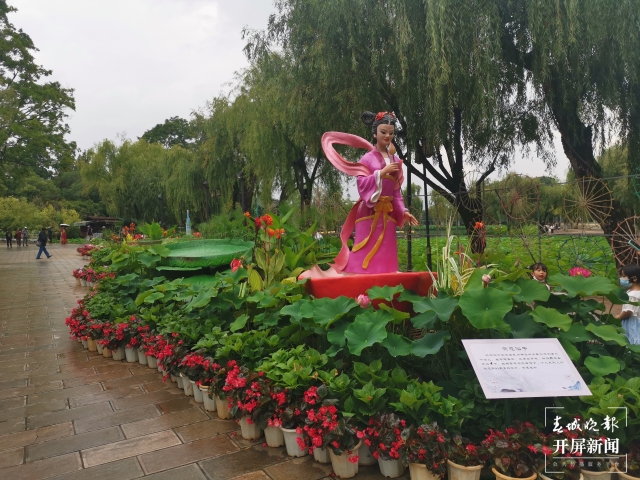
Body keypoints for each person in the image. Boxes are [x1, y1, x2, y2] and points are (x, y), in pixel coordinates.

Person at [321, 111, 418, 274]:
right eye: (383, 132)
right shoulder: (367, 159)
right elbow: (362, 184)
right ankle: (358, 275)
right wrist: (381, 173)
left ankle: (386, 275)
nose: (387, 136)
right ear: (375, 133)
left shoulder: (396, 161)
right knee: (365, 246)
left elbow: (396, 192)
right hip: (369, 211)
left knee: (386, 249)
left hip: (388, 212)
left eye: (391, 133)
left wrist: (403, 211)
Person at [615, 264, 640, 345]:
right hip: (637, 321)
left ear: (634, 278)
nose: (621, 278)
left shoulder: (632, 295)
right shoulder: (635, 292)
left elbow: (628, 311)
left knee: (631, 339)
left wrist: (619, 317)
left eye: (624, 276)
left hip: (632, 322)